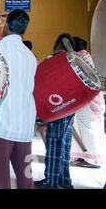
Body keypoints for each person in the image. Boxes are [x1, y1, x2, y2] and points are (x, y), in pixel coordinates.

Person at [0, 9, 37, 189]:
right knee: (26, 175)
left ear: (6, 26)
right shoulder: (31, 57)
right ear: (24, 30)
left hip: (1, 123)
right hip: (25, 125)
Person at [35, 33, 76, 189]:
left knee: (54, 145)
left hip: (57, 107)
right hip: (70, 107)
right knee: (65, 145)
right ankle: (65, 180)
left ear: (59, 45)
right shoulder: (74, 61)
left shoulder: (55, 59)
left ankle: (51, 182)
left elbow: (43, 80)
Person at [70, 37, 106, 169]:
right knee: (82, 128)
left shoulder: (82, 58)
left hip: (88, 100)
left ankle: (93, 159)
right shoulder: (85, 57)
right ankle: (83, 155)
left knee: (89, 129)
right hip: (87, 99)